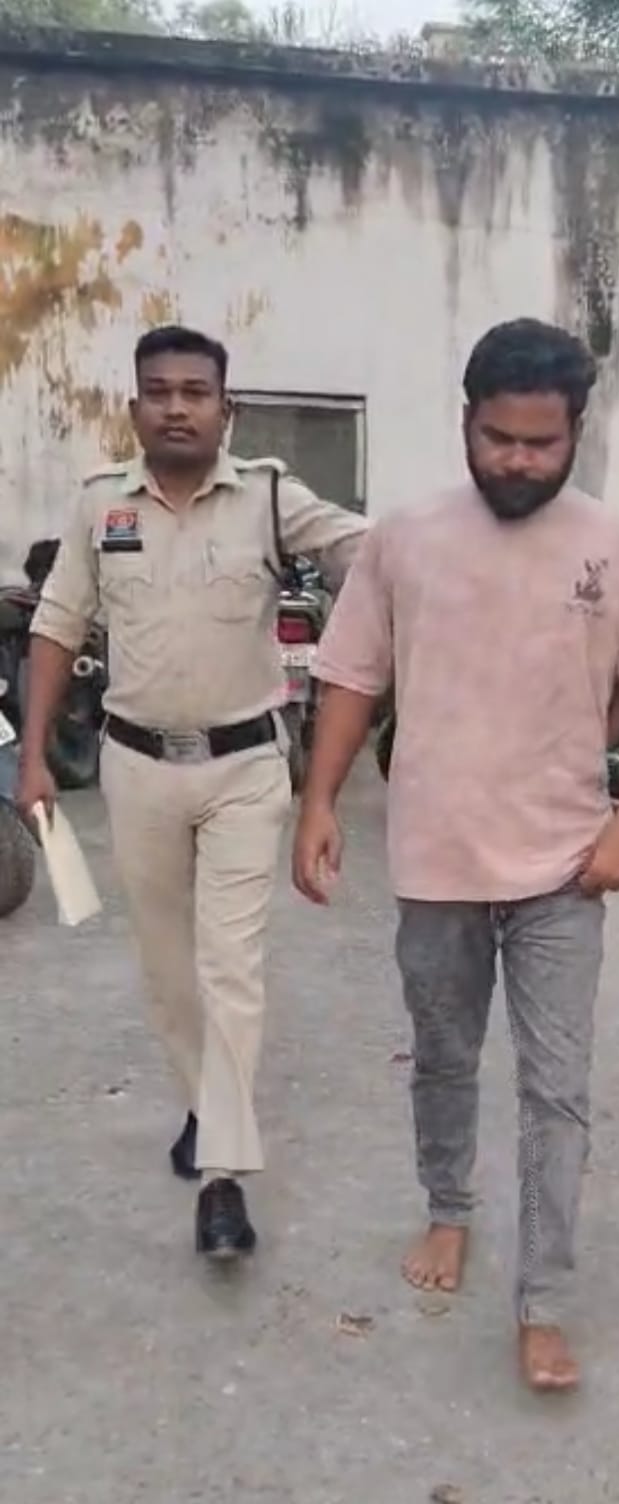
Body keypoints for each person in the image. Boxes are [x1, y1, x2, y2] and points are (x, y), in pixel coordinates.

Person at [293, 318, 619, 1392]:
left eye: (541, 443)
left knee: (557, 1091)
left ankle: (544, 1301)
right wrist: (318, 800)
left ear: (576, 433)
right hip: (435, 864)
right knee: (442, 1057)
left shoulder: (617, 548)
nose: (517, 460)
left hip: (566, 869)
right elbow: (352, 676)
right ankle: (449, 1206)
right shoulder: (404, 540)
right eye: (498, 438)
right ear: (466, 420)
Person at [18, 324, 366, 1261]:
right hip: (137, 770)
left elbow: (370, 553)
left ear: (227, 409)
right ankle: (204, 1103)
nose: (178, 408)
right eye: (160, 392)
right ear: (135, 407)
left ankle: (222, 1178)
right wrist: (33, 756)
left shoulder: (270, 497)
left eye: (196, 392)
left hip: (245, 769)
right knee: (170, 976)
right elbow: (57, 627)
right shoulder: (101, 507)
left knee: (230, 968)